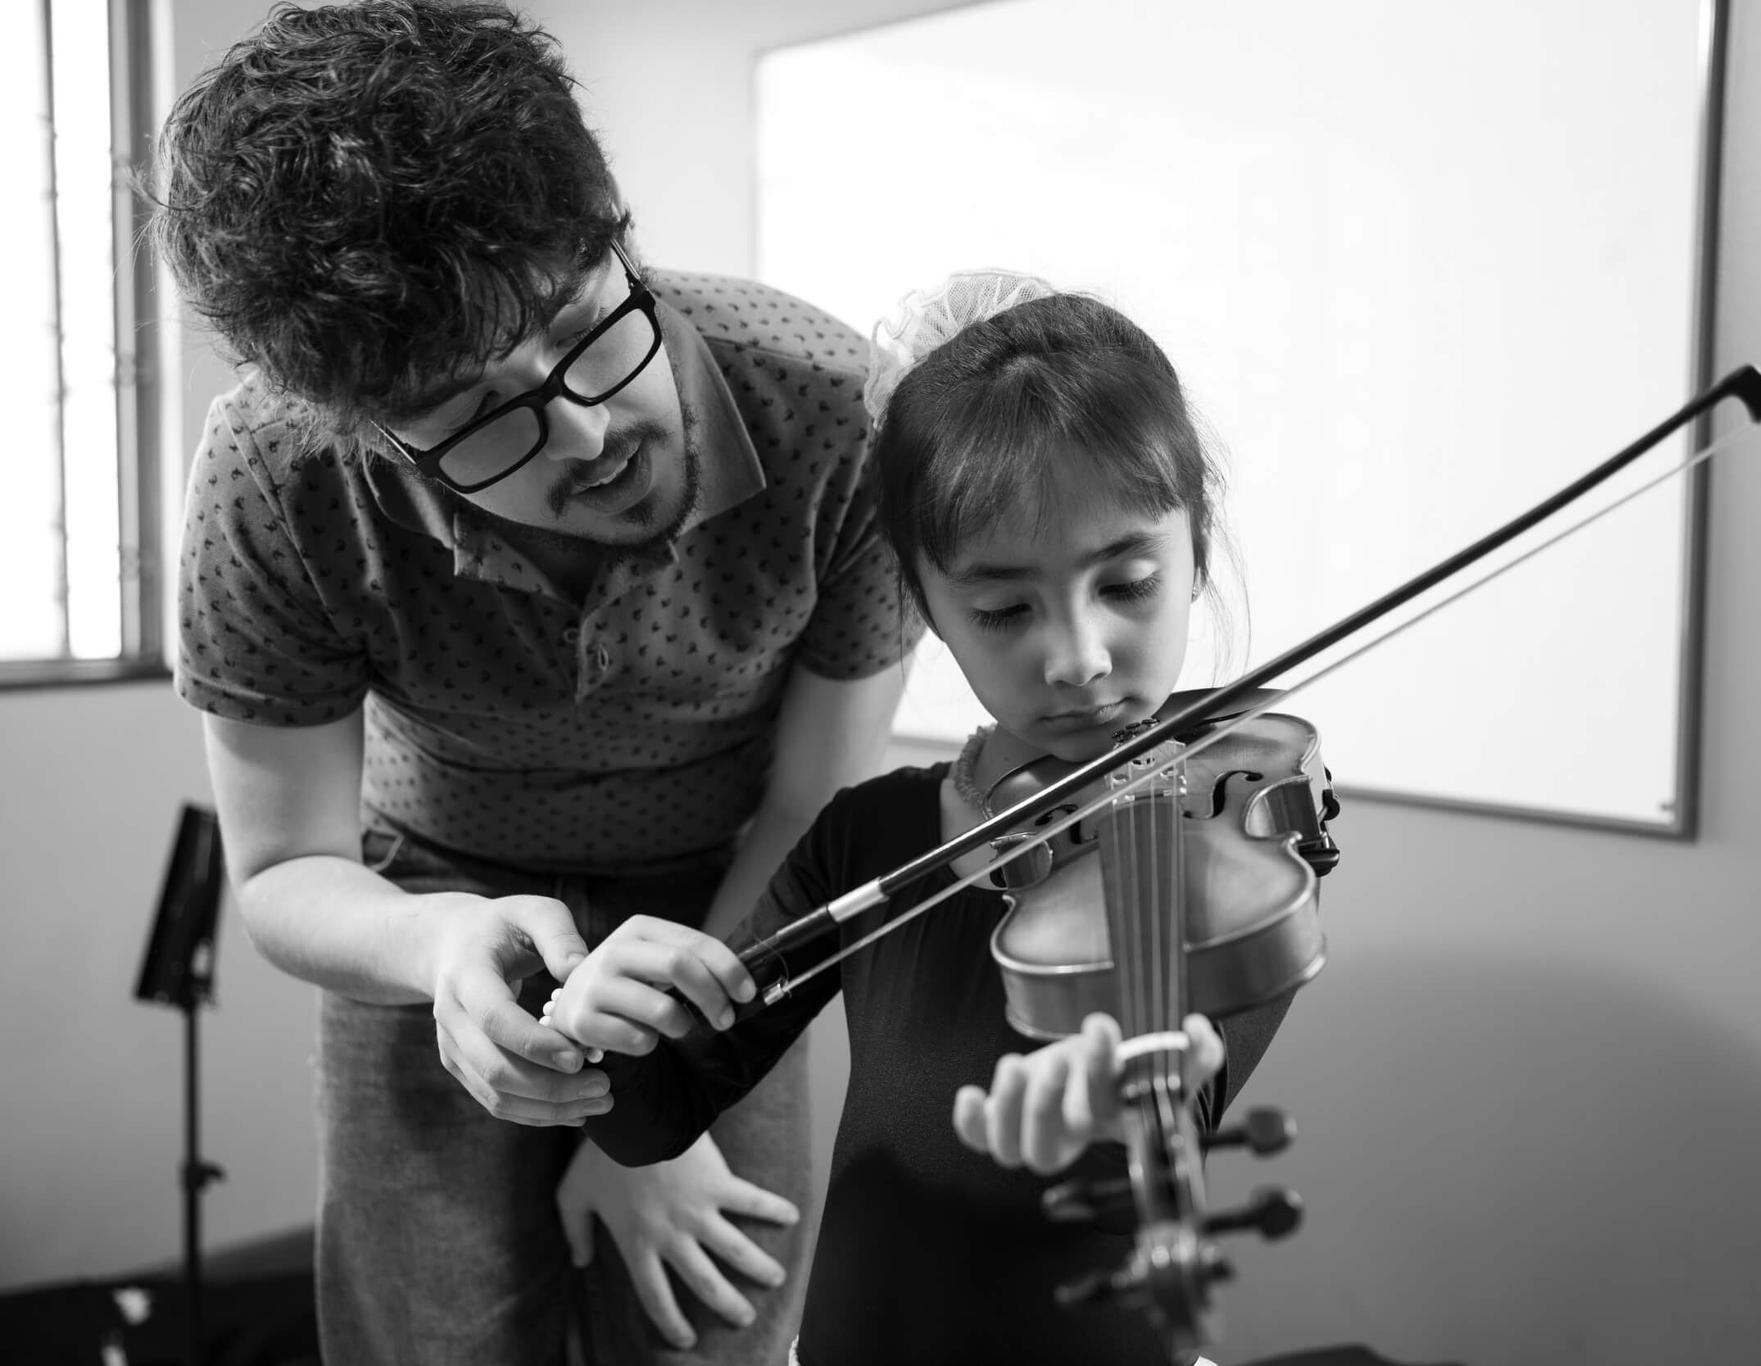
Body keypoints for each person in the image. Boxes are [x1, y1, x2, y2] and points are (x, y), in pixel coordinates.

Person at [151, 4, 915, 1363]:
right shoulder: (276, 475)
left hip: (743, 911)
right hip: (425, 906)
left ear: (617, 232)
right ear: (376, 432)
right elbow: (284, 872)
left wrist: (654, 1096)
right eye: (476, 411)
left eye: (583, 325)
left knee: (715, 1330)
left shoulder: (840, 412)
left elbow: (817, 802)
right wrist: (446, 948)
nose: (587, 432)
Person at [544, 273, 1316, 1366]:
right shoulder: (865, 839)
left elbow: (1153, 1150)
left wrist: (1103, 1116)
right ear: (925, 606)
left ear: (1196, 548)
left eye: (1127, 582)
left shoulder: (1223, 817)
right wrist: (601, 1020)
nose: (1079, 658)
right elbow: (657, 1112)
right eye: (1004, 608)